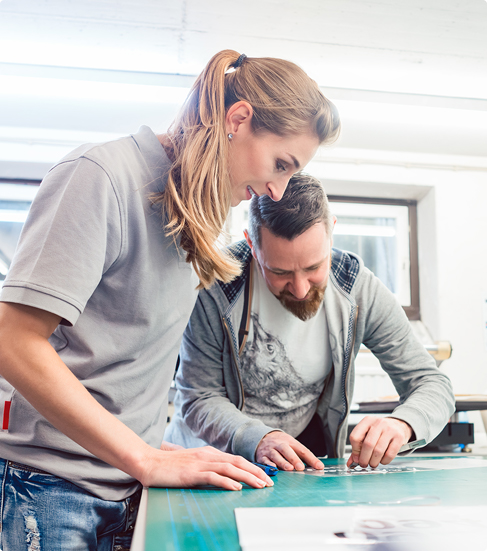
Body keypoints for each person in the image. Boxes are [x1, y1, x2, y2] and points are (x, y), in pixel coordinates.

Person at [0, 50, 340, 549]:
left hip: (128, 485)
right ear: (238, 119)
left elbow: (118, 365)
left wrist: (151, 453)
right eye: (280, 163)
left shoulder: (194, 215)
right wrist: (147, 458)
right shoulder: (100, 176)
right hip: (52, 490)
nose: (276, 188)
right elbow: (13, 340)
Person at [165, 173, 455, 473]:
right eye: (279, 272)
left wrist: (403, 423)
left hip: (294, 466)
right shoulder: (215, 285)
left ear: (331, 232)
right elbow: (199, 397)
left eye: (314, 267)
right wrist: (258, 437)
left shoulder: (360, 289)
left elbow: (432, 384)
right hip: (209, 463)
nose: (301, 289)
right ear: (252, 243)